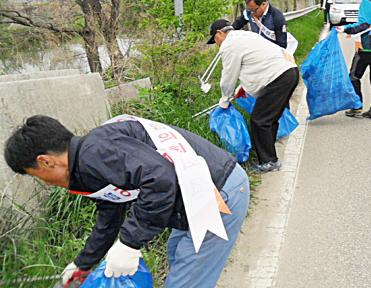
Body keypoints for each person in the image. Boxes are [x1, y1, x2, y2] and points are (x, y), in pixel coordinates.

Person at [3, 114, 250, 288]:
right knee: (178, 257)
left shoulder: (95, 153)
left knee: (188, 279)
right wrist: (83, 264)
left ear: (46, 161)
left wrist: (130, 243)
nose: (46, 183)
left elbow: (160, 179)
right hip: (205, 191)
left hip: (217, 192)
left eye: (38, 176)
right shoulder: (91, 157)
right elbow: (111, 213)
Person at [207, 19, 299, 173]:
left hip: (278, 77)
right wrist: (243, 87)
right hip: (290, 72)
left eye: (214, 40)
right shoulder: (247, 35)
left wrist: (225, 100)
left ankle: (269, 161)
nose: (217, 44)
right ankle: (270, 153)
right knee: (270, 119)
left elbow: (229, 76)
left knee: (260, 120)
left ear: (219, 33)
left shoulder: (229, 45)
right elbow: (256, 61)